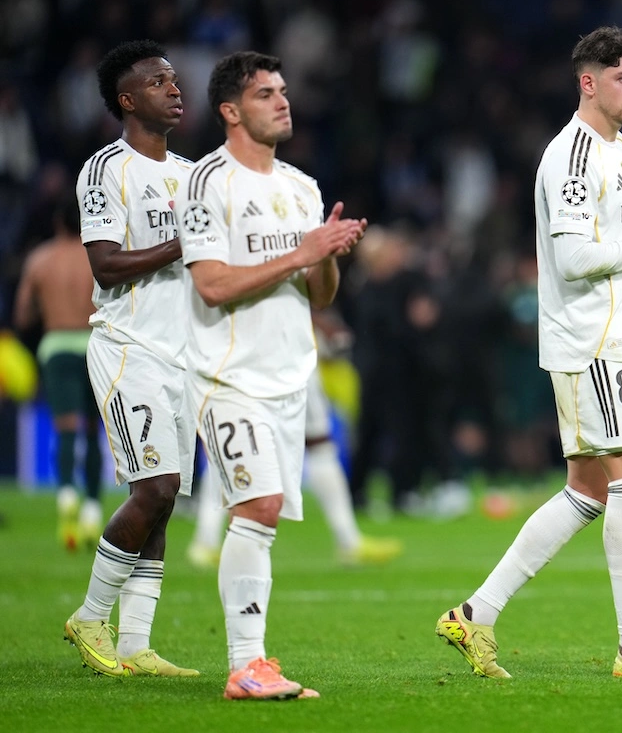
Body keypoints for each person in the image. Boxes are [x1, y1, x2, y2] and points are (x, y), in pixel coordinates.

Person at [435, 25, 622, 679]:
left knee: (588, 491)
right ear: (587, 82)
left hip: (610, 341)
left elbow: (612, 248)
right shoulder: (575, 157)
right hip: (591, 344)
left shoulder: (619, 150)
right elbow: (572, 258)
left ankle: (473, 615)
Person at [180, 50, 366, 700]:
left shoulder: (301, 187)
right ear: (231, 110)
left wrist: (327, 254)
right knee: (256, 507)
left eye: (283, 91)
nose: (283, 101)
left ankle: (253, 662)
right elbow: (210, 286)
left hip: (290, 377)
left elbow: (319, 295)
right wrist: (301, 252)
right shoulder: (207, 183)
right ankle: (246, 665)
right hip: (227, 376)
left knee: (261, 520)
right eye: (265, 94)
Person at [62, 40, 200, 678]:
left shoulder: (194, 175)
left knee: (166, 500)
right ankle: (90, 615)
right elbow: (106, 266)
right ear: (128, 99)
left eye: (174, 80)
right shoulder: (105, 170)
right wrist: (185, 242)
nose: (175, 89)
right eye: (159, 82)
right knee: (155, 488)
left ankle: (135, 643)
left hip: (183, 357)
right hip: (129, 350)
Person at [186, 315, 403, 568]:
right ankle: (205, 541)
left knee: (304, 442)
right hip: (272, 348)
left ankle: (205, 542)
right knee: (237, 441)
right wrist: (321, 322)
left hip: (269, 347)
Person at [14, 197, 106, 551]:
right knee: (92, 427)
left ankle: (67, 495)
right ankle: (93, 511)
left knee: (65, 429)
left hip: (56, 347)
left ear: (56, 222)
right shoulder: (94, 257)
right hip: (94, 345)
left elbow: (23, 314)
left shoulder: (39, 260)